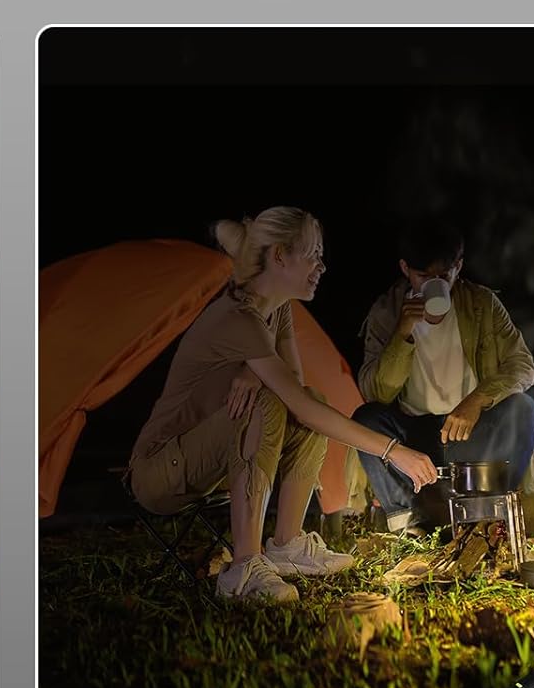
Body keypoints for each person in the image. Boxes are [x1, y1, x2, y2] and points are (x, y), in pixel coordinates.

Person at [128, 207, 438, 604]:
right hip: (159, 472)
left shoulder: (279, 312)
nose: (322, 266)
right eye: (312, 255)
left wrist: (254, 371)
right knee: (268, 404)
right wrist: (393, 451)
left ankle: (287, 544)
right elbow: (292, 401)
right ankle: (243, 566)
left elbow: (297, 394)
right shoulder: (238, 316)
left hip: (213, 460)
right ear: (279, 256)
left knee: (308, 399)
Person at [353, 217, 534, 534]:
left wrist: (477, 401)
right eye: (423, 276)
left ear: (459, 266)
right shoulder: (387, 312)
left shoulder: (481, 304)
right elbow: (375, 393)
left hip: (468, 428)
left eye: (444, 275)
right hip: (414, 432)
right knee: (366, 418)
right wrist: (402, 334)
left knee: (524, 408)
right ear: (404, 268)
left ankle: (486, 516)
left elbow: (523, 365)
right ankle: (407, 522)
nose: (434, 284)